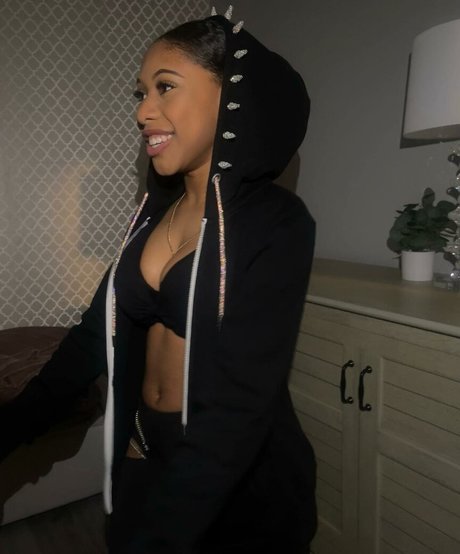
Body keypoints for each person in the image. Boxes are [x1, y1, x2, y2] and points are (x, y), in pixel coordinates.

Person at [0, 8, 317, 554]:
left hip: (238, 481)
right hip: (145, 450)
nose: (143, 111)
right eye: (141, 93)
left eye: (165, 87)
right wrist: (9, 430)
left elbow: (239, 409)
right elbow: (90, 339)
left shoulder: (277, 223)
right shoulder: (150, 221)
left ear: (232, 96)